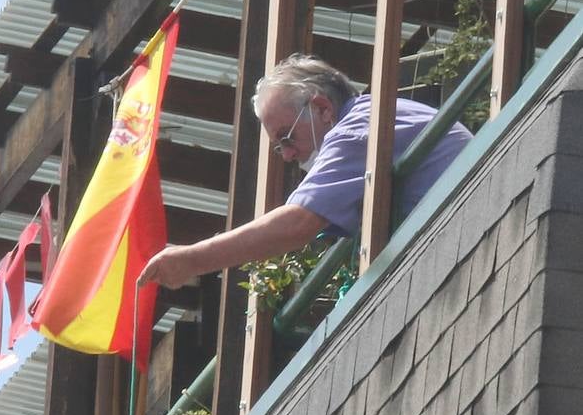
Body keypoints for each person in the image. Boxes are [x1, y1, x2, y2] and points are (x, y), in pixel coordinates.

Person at [139, 54, 472, 290]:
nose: (286, 155)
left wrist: (191, 259)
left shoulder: (355, 131)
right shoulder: (372, 118)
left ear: (322, 108)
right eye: (277, 146)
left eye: (286, 137)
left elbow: (297, 224)